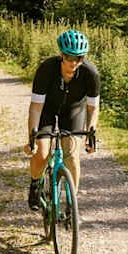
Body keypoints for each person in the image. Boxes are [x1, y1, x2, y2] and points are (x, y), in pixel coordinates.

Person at [24, 29, 99, 211]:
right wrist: (32, 137)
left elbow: (93, 107)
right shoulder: (46, 69)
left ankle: (71, 205)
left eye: (79, 58)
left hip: (74, 111)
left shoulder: (90, 74)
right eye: (69, 57)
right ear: (61, 55)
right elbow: (36, 107)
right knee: (42, 153)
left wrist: (91, 133)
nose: (73, 63)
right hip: (46, 110)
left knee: (72, 155)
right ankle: (35, 185)